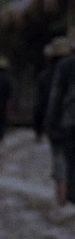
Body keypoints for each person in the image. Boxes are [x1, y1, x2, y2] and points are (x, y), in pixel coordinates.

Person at [44, 36, 75, 206]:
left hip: (69, 123)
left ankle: (64, 195)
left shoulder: (63, 68)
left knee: (67, 162)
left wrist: (50, 123)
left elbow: (55, 99)